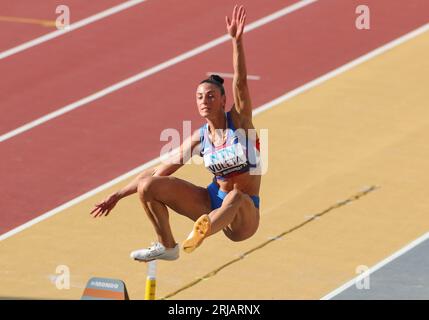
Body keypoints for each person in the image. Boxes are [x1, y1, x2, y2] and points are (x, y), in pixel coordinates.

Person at [90, 5, 261, 262]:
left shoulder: (239, 123)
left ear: (224, 99)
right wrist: (117, 195)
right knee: (149, 185)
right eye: (200, 97)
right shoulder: (201, 137)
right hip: (211, 201)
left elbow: (241, 82)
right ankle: (167, 246)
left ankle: (201, 232)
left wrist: (237, 42)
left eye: (211, 96)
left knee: (236, 195)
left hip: (243, 216)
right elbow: (159, 171)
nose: (205, 100)